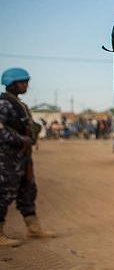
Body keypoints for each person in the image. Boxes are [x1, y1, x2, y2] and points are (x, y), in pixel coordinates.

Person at [0, 68, 55, 247]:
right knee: (4, 192)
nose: (26, 85)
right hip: (7, 159)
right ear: (11, 84)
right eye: (22, 82)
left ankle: (33, 228)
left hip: (22, 157)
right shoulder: (4, 104)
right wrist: (20, 139)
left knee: (27, 190)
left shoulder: (19, 104)